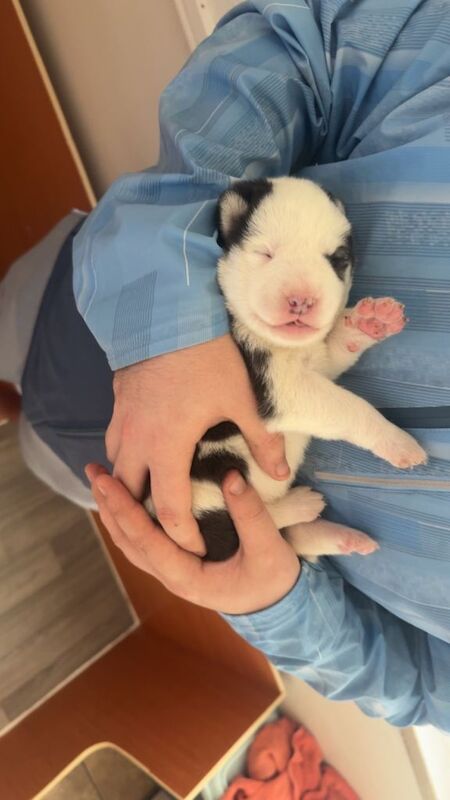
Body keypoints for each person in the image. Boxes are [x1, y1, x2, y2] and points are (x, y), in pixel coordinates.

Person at [2, 0, 450, 731]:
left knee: (43, 454)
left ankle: (21, 425)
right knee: (12, 323)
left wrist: (274, 607)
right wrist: (165, 315)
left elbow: (409, 685)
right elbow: (309, 39)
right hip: (79, 302)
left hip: (147, 491)